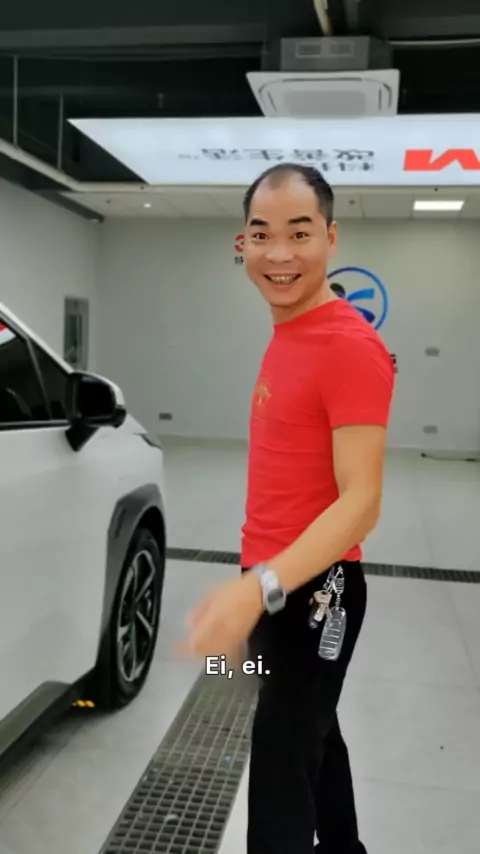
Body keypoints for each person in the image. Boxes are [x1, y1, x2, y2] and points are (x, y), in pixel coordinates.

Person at [178, 164, 395, 854]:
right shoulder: (292, 331)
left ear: (331, 237)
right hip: (272, 584)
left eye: (299, 234)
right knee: (312, 733)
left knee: (278, 765)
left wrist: (259, 589)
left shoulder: (348, 346)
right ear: (241, 243)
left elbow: (362, 503)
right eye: (262, 234)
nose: (279, 254)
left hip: (316, 593)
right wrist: (255, 584)